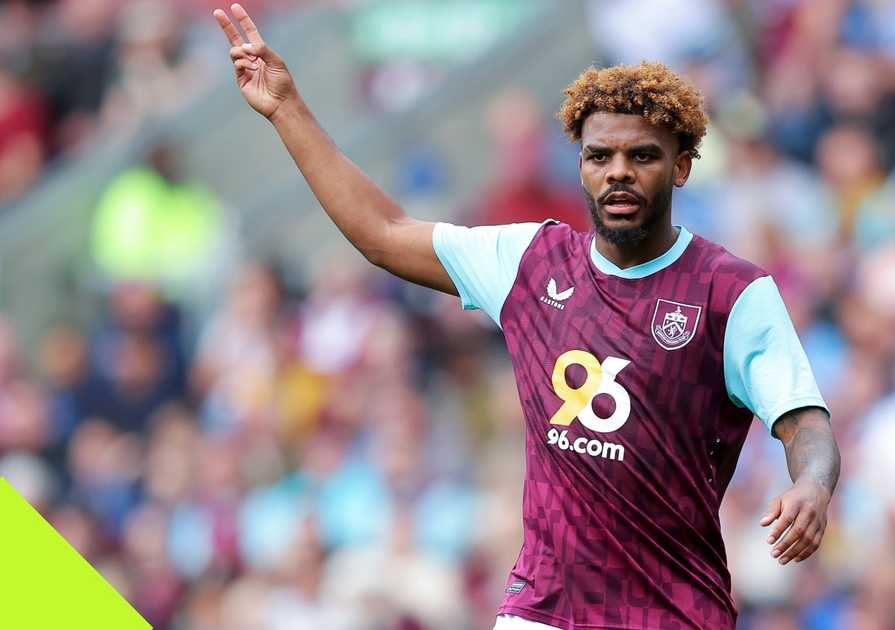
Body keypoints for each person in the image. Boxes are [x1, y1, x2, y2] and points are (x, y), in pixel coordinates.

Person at [213, 4, 840, 629]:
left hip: (671, 614)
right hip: (543, 611)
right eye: (600, 156)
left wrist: (811, 484)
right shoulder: (530, 262)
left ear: (680, 166)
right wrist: (286, 109)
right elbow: (384, 232)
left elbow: (804, 421)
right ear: (581, 166)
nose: (618, 172)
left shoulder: (731, 292)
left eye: (642, 156)